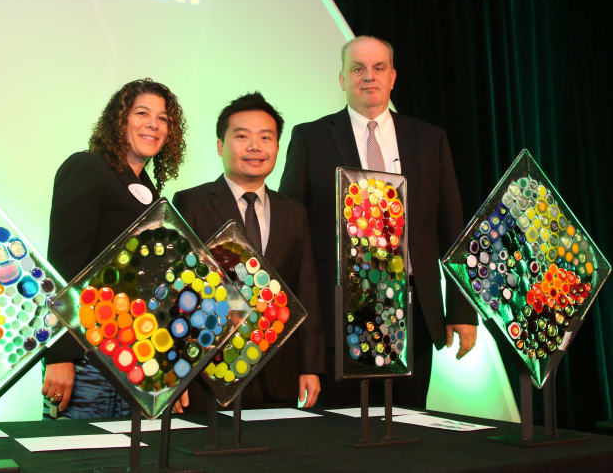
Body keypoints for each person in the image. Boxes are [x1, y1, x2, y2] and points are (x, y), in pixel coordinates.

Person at [279, 36, 477, 408]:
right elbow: (293, 230)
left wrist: (462, 311)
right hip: (338, 316)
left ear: (393, 77)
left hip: (414, 313)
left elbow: (453, 228)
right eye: (357, 68)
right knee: (341, 440)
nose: (368, 77)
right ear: (341, 78)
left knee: (407, 433)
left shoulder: (429, 139)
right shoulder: (310, 138)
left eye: (378, 68)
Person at [43, 78, 187, 419]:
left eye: (163, 118)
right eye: (142, 113)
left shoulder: (150, 192)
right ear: (119, 121)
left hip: (136, 361)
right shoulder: (88, 167)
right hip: (86, 361)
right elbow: (64, 265)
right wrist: (59, 355)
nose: (154, 123)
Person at [173, 92, 324, 409]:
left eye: (265, 137)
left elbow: (306, 290)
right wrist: (176, 372)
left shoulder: (294, 212)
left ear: (277, 148)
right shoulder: (192, 203)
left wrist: (310, 366)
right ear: (220, 146)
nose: (255, 147)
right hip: (209, 375)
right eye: (242, 136)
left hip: (279, 374)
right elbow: (178, 292)